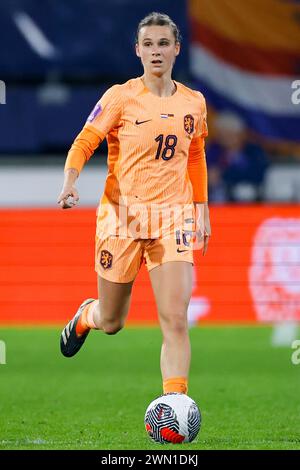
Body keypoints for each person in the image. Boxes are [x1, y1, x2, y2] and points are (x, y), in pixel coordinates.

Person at [57, 12, 211, 397]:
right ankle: (86, 315)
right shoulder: (120, 97)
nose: (156, 51)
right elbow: (84, 141)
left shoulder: (194, 102)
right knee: (112, 320)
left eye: (163, 44)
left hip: (173, 218)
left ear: (176, 49)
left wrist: (201, 208)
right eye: (148, 44)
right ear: (137, 51)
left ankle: (173, 406)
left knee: (175, 318)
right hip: (121, 218)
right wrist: (70, 181)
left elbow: (195, 155)